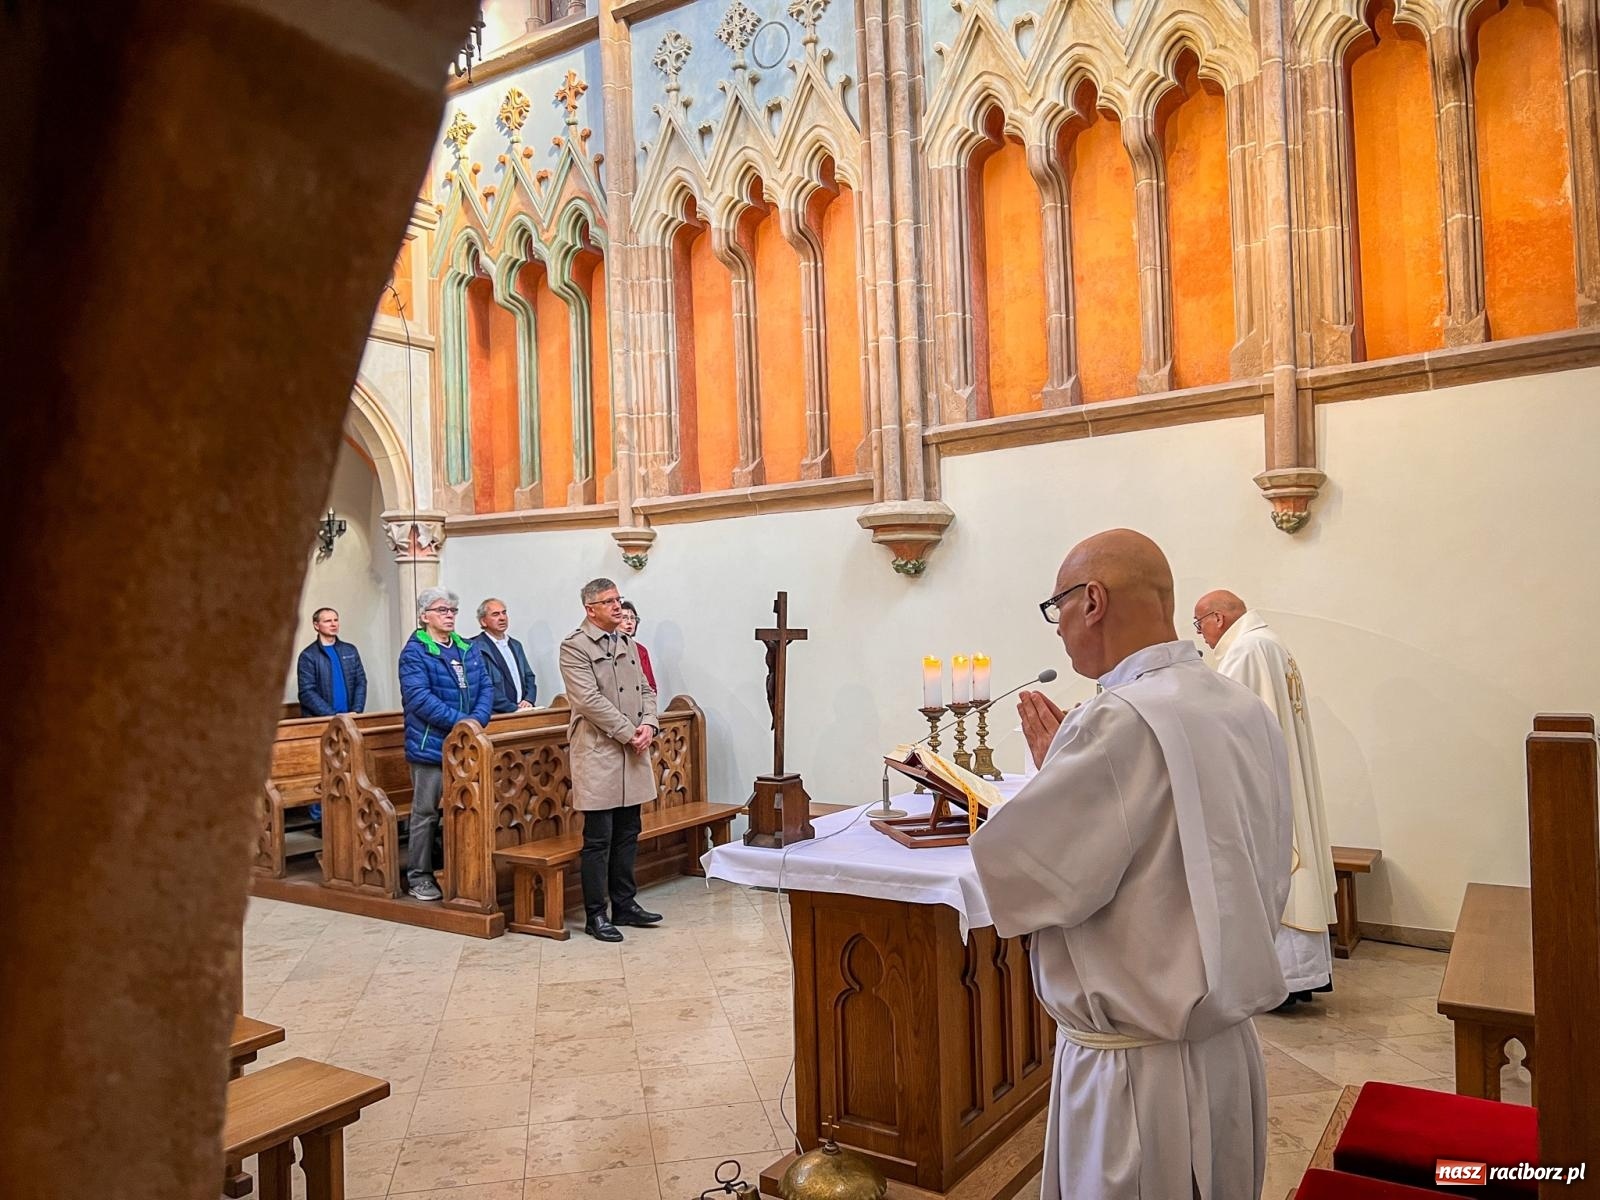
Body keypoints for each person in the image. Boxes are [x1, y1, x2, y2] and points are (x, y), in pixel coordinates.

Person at [968, 530, 1292, 1200]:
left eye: (1056, 609)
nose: (1057, 631)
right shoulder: (1242, 709)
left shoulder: (1118, 719)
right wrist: (1067, 765)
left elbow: (1029, 877)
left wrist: (1057, 766)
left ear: (1092, 602)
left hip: (1135, 1082)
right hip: (1226, 1055)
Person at [1195, 589, 1338, 1007]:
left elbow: (1222, 723)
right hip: (1280, 779)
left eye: (1200, 623)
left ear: (1218, 618)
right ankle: (1300, 975)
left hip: (1260, 789)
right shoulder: (1271, 644)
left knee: (1278, 866)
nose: (1201, 635)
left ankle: (1287, 979)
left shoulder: (1246, 650)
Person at [558, 577, 661, 941]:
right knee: (599, 837)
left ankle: (626, 904)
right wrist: (627, 731)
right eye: (610, 601)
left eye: (618, 599)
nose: (618, 606)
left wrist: (649, 723)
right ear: (591, 609)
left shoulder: (626, 641)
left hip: (632, 749)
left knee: (629, 832)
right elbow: (587, 700)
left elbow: (647, 688)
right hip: (600, 751)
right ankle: (596, 914)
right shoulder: (575, 647)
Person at [397, 586, 491, 902]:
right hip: (431, 745)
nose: (449, 615)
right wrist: (462, 724)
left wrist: (473, 724)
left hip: (466, 745)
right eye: (441, 610)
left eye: (452, 610)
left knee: (466, 809)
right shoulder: (415, 652)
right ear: (425, 616)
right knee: (425, 813)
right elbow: (419, 698)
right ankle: (419, 876)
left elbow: (486, 688)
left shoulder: (466, 648)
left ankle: (460, 871)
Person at [295, 607, 367, 717]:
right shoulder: (308, 655)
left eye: (336, 620)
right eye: (328, 621)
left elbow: (360, 682)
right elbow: (307, 692)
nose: (333, 624)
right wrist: (332, 716)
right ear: (316, 625)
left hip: (351, 718)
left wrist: (356, 711)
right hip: (321, 722)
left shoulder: (350, 650)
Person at [471, 597, 538, 713]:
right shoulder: (475, 647)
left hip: (523, 711)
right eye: (495, 614)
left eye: (504, 613)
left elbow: (529, 676)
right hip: (495, 714)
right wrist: (511, 708)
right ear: (483, 621)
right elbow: (484, 685)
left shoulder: (515, 645)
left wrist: (529, 700)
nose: (502, 618)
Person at [617, 599, 657, 693]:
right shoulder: (606, 647)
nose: (629, 622)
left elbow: (651, 685)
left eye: (633, 618)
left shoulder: (641, 650)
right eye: (624, 618)